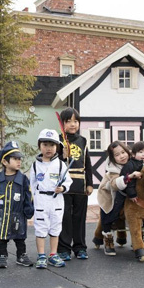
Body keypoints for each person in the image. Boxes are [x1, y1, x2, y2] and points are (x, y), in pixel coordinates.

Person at [0, 141, 35, 268]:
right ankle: (2, 256)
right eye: (15, 159)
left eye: (19, 159)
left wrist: (29, 210)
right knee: (2, 238)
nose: (19, 161)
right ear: (5, 162)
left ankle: (21, 255)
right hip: (2, 216)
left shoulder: (23, 179)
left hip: (18, 214)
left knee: (20, 237)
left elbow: (28, 195)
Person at [30, 129, 73, 269]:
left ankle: (53, 254)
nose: (49, 148)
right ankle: (41, 255)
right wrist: (35, 198)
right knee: (41, 228)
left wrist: (63, 188)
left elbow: (68, 181)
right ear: (39, 146)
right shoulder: (35, 165)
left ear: (57, 147)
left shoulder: (61, 164)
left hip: (56, 200)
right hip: (42, 199)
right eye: (45, 145)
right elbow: (33, 183)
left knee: (55, 227)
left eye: (52, 145)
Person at [57, 107, 94, 261]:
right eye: (68, 121)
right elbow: (53, 163)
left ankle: (80, 247)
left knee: (79, 217)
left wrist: (90, 184)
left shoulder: (83, 140)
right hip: (64, 186)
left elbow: (88, 164)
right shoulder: (58, 140)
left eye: (76, 121)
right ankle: (63, 249)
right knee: (64, 217)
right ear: (62, 123)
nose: (73, 124)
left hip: (80, 185)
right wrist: (61, 155)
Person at [96, 141, 136, 256]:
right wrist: (128, 178)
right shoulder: (113, 170)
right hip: (110, 195)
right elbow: (114, 184)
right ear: (113, 158)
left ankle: (137, 238)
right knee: (109, 214)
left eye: (123, 152)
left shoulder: (134, 164)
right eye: (117, 155)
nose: (122, 156)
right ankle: (108, 238)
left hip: (129, 196)